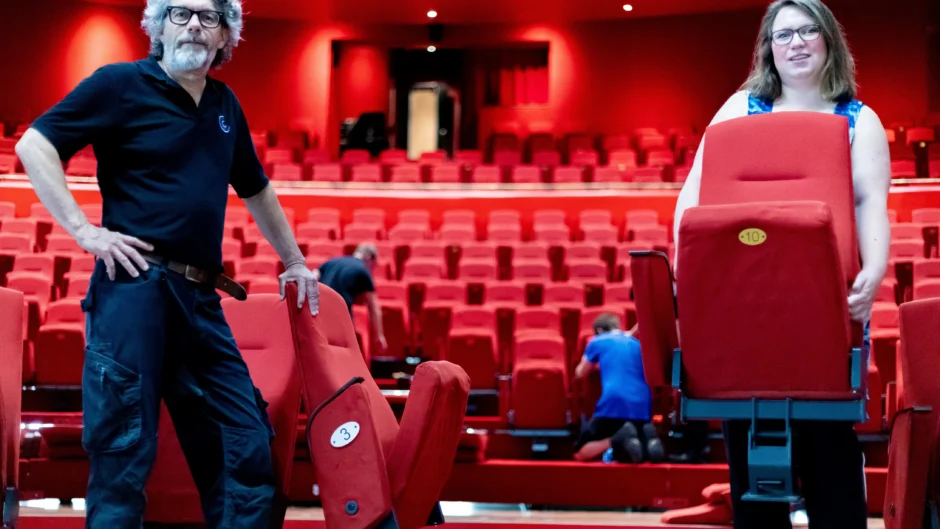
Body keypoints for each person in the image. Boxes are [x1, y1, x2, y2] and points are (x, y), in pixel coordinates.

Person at [14, 1, 320, 526]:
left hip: (202, 299)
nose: (194, 25)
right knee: (123, 454)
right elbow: (35, 145)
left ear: (227, 35)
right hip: (135, 292)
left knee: (244, 443)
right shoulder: (118, 85)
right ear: (157, 26)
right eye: (179, 13)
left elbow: (256, 187)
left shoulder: (225, 105)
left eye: (208, 16)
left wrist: (294, 260)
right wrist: (86, 231)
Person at [671, 1, 891, 528]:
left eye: (808, 30)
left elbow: (870, 205)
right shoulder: (739, 109)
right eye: (782, 34)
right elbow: (693, 196)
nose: (795, 43)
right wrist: (689, 267)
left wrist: (874, 272)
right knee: (750, 451)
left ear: (829, 39)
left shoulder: (859, 119)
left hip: (823, 305)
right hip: (743, 306)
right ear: (768, 47)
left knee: (829, 452)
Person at [572, 314, 663, 464]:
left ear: (599, 330)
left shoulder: (598, 341)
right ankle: (647, 443)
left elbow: (580, 373)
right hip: (643, 403)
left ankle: (616, 439)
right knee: (633, 446)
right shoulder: (636, 344)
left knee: (580, 453)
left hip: (614, 402)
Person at [313, 243, 388, 352]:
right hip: (341, 317)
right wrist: (379, 335)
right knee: (342, 353)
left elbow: (313, 276)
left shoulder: (332, 261)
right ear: (369, 258)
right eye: (373, 265)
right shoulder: (363, 270)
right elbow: (373, 307)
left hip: (318, 312)